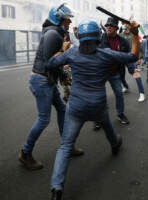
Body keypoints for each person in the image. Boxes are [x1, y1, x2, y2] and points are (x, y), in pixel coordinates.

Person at [48, 19, 140, 200]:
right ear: (99, 37)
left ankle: (56, 189)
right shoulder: (105, 53)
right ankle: (115, 145)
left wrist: (63, 49)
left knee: (66, 146)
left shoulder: (72, 53)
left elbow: (51, 63)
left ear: (80, 38)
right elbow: (133, 56)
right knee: (106, 124)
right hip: (97, 104)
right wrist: (135, 34)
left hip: (76, 106)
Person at [18, 3, 83, 171]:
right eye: (67, 19)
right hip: (41, 81)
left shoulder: (57, 32)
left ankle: (67, 146)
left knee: (62, 109)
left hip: (47, 80)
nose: (69, 22)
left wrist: (62, 77)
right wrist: (64, 51)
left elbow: (55, 62)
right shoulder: (53, 34)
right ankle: (25, 153)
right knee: (44, 119)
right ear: (58, 18)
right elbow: (50, 62)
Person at [97, 17, 132, 126]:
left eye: (111, 26)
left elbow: (127, 56)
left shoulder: (123, 41)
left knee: (119, 94)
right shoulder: (100, 38)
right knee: (99, 96)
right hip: (101, 73)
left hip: (115, 73)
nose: (108, 27)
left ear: (116, 28)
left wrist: (131, 68)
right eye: (107, 26)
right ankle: (98, 118)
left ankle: (120, 114)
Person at [120, 22, 146, 102]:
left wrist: (139, 58)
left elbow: (139, 46)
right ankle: (126, 86)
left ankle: (142, 93)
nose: (125, 25)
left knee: (136, 75)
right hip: (121, 57)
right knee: (121, 75)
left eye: (127, 24)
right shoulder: (120, 35)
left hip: (132, 57)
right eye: (123, 24)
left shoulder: (134, 34)